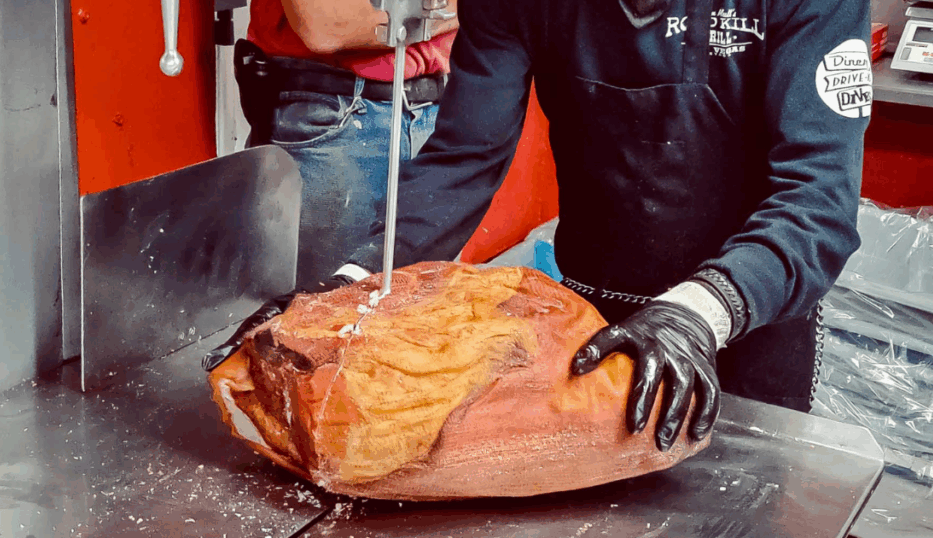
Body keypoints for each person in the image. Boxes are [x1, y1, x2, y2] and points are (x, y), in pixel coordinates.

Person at [209, 0, 872, 452]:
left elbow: (817, 205)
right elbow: (463, 160)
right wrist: (352, 282)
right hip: (591, 316)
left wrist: (697, 314)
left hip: (746, 316)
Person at [234, 0, 459, 289]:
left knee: (429, 323)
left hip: (438, 113)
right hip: (335, 121)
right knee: (321, 324)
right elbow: (326, 25)